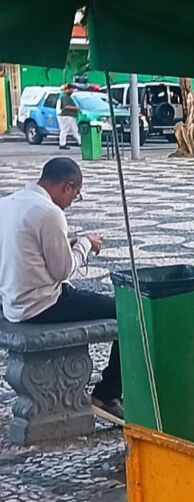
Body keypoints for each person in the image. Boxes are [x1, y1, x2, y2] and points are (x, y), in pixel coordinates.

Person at [0, 157, 121, 418]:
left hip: (12, 302)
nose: (71, 202)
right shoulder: (49, 212)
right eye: (75, 195)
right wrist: (86, 244)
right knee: (127, 310)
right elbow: (64, 270)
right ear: (68, 186)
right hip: (42, 304)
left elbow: (30, 245)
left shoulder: (8, 203)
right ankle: (107, 394)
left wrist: (73, 240)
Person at [58, 84, 81, 151]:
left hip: (69, 116)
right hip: (67, 116)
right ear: (67, 90)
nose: (72, 91)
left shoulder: (66, 97)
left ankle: (80, 142)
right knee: (65, 130)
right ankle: (62, 144)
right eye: (71, 89)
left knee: (74, 130)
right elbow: (66, 106)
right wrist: (76, 108)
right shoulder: (65, 97)